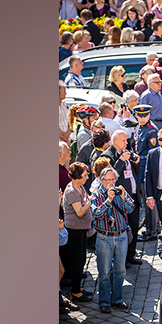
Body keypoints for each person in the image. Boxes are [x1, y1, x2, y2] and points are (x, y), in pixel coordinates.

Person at [90, 166, 135, 313]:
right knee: (104, 271)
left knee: (120, 270)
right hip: (104, 237)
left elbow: (131, 208)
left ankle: (117, 299)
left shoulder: (121, 191)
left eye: (113, 179)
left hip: (121, 236)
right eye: (107, 180)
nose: (111, 183)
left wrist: (122, 198)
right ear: (101, 180)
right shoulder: (96, 195)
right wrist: (108, 200)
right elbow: (96, 213)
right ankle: (104, 301)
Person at [101, 131, 145, 265]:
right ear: (115, 141)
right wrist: (120, 161)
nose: (127, 143)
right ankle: (121, 258)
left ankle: (131, 254)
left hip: (133, 196)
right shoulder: (107, 156)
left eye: (127, 140)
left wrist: (136, 163)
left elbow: (135, 173)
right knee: (121, 229)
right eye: (124, 140)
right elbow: (110, 177)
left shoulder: (127, 151)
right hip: (118, 201)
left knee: (134, 225)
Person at [62, 162, 94, 303]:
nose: (87, 177)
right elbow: (80, 212)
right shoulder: (72, 191)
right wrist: (90, 202)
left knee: (81, 259)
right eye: (85, 175)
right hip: (74, 230)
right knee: (76, 261)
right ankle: (75, 292)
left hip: (81, 229)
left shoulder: (79, 187)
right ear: (77, 177)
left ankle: (78, 288)